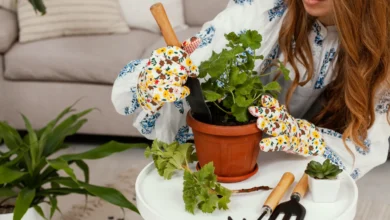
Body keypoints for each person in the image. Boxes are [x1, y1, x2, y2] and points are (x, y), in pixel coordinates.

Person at [111, 0, 390, 180]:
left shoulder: (382, 46)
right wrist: (153, 80)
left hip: (303, 174)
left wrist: (306, 138)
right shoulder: (265, 10)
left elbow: (368, 146)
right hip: (232, 166)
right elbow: (200, 61)